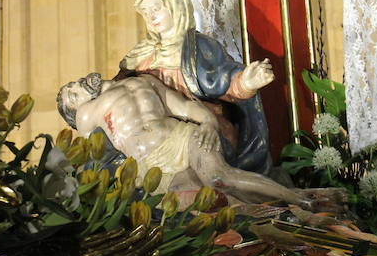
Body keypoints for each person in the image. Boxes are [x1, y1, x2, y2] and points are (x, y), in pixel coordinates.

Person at [57, 72, 309, 205]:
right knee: (209, 199)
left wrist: (208, 122)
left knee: (218, 177)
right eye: (73, 96)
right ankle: (287, 210)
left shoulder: (143, 81)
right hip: (152, 166)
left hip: (181, 137)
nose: (75, 87)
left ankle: (298, 199)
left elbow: (184, 108)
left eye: (72, 86)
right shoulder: (87, 115)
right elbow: (96, 158)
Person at [118, 0, 274, 176]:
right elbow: (119, 93)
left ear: (175, 5)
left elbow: (224, 81)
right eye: (146, 11)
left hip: (202, 122)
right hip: (154, 130)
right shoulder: (138, 55)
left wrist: (246, 82)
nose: (151, 16)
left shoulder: (198, 46)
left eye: (156, 8)